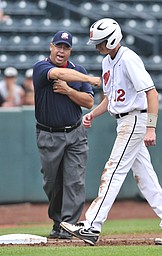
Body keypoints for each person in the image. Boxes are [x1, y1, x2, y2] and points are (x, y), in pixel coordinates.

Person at [60, 18, 162, 246]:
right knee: (146, 179)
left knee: (113, 171)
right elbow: (110, 98)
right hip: (124, 120)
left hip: (135, 120)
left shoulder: (128, 59)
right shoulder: (108, 62)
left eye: (100, 42)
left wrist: (151, 127)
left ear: (112, 39)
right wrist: (92, 114)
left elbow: (152, 93)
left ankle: (92, 225)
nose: (97, 47)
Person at [32, 31, 101, 239]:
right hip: (49, 134)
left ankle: (68, 226)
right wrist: (88, 79)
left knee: (75, 181)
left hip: (75, 133)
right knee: (52, 183)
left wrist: (69, 91)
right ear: (51, 46)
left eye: (66, 47)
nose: (62, 51)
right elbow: (58, 74)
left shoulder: (77, 70)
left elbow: (89, 102)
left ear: (70, 51)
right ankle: (57, 220)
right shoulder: (41, 67)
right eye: (59, 46)